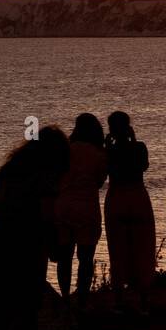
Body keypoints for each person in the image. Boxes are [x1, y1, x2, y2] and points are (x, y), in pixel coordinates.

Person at [0, 126, 69, 330]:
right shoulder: (46, 176)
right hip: (30, 235)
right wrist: (54, 244)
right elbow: (47, 214)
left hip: (2, 232)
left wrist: (9, 213)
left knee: (1, 286)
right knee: (29, 288)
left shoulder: (9, 171)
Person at [104, 111, 156, 314]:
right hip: (137, 196)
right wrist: (133, 140)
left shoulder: (109, 152)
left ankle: (118, 299)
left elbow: (106, 170)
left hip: (116, 197)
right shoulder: (139, 147)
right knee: (143, 247)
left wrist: (107, 147)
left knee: (117, 249)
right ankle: (143, 300)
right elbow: (143, 165)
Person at [55, 112, 108, 311]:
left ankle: (65, 297)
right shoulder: (99, 154)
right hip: (87, 208)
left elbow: (56, 177)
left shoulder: (64, 151)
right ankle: (82, 300)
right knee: (85, 259)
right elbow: (100, 181)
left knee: (65, 257)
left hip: (63, 207)